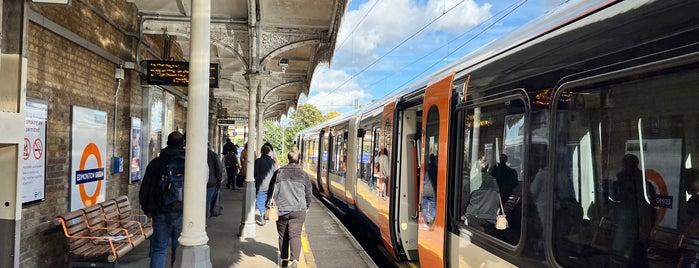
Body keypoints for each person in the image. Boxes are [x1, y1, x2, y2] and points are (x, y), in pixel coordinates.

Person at [139, 131, 185, 268]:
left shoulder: (155, 163)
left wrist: (147, 209)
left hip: (160, 209)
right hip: (182, 210)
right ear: (183, 143)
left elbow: (145, 188)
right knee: (179, 247)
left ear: (167, 142)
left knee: (159, 248)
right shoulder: (189, 163)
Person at [266, 148, 312, 268]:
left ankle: (284, 260)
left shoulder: (279, 172)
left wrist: (269, 203)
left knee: (283, 235)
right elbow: (308, 194)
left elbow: (271, 191)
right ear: (299, 160)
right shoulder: (304, 174)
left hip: (281, 208)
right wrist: (307, 206)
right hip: (299, 209)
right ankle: (295, 261)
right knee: (295, 235)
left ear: (288, 158)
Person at [255, 144, 278, 225]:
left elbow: (254, 173)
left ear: (261, 152)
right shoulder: (273, 162)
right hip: (271, 185)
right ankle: (267, 216)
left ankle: (262, 213)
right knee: (268, 200)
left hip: (260, 184)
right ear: (269, 152)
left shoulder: (257, 161)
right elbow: (276, 174)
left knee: (260, 200)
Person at [206, 143, 223, 217]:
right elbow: (218, 169)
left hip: (194, 182)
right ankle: (203, 220)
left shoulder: (190, 153)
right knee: (207, 201)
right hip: (211, 181)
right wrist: (219, 180)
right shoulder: (213, 155)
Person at [422, 154, 438, 225]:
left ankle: (425, 220)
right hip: (433, 191)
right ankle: (433, 219)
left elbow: (423, 178)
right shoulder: (436, 168)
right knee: (433, 205)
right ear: (434, 160)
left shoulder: (427, 168)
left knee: (424, 206)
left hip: (425, 190)